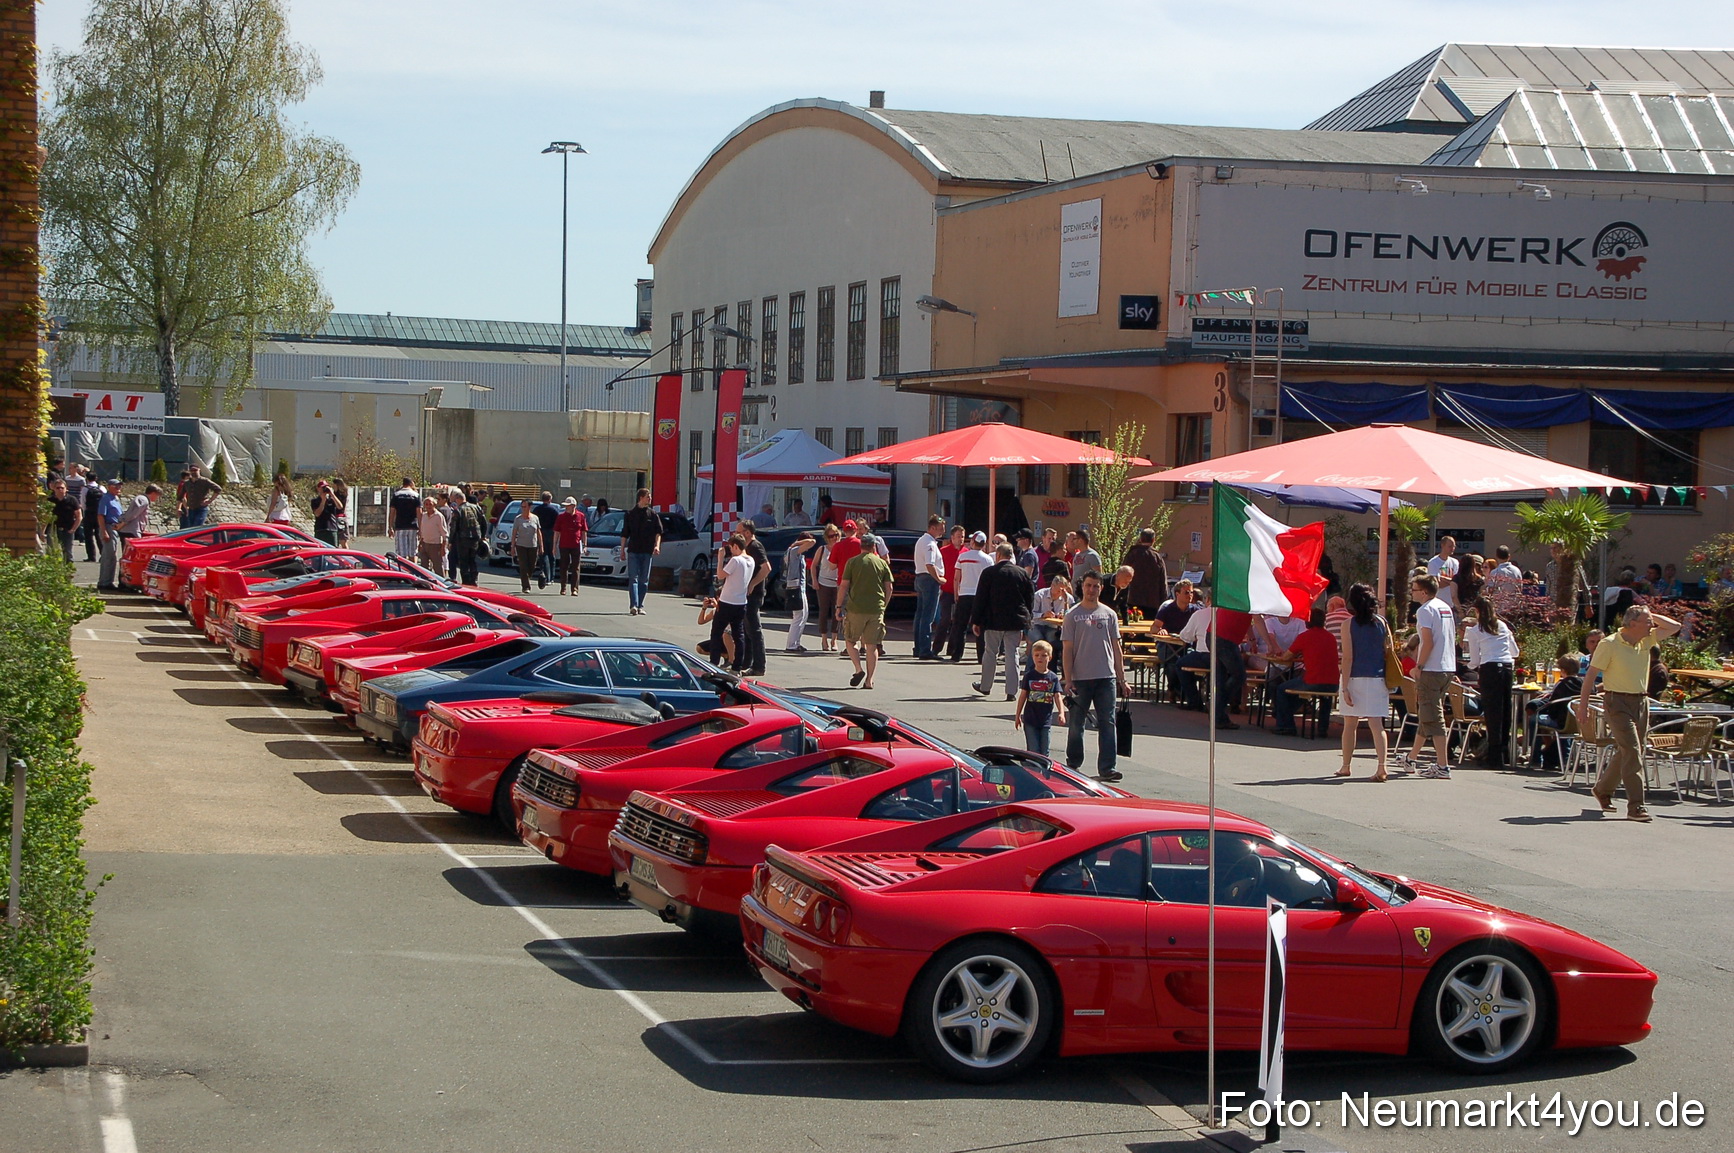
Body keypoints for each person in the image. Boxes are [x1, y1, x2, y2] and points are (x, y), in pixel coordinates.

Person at [1577, 605, 1680, 822]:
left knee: (1631, 750)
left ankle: (1603, 789)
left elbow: (1675, 627)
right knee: (1632, 750)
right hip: (1617, 701)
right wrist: (1583, 706)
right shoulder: (1610, 644)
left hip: (1641, 701)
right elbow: (1591, 675)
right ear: (1632, 624)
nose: (1652, 625)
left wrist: (1650, 614)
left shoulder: (1646, 639)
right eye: (1647, 621)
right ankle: (1636, 806)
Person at [1061, 571, 1127, 782]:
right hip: (1081, 678)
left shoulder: (1109, 614)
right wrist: (1068, 679)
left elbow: (1117, 648)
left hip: (1105, 677)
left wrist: (1122, 678)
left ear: (1101, 588)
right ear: (1082, 587)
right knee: (1076, 723)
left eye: (1096, 586)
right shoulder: (1072, 615)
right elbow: (1067, 650)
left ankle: (1108, 767)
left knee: (1108, 722)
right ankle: (1073, 763)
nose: (1092, 590)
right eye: (1089, 585)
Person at [1401, 574, 1458, 779]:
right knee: (1428, 713)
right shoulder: (1444, 607)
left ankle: (1442, 765)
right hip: (1447, 667)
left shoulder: (1424, 610)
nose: (1412, 592)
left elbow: (1427, 640)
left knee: (1433, 717)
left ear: (1424, 592)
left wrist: (1419, 666)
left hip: (1432, 669)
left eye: (1414, 589)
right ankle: (1411, 757)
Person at [1336, 583, 1392, 780]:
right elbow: (1389, 651)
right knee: (1377, 725)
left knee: (1349, 724)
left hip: (1355, 677)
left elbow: (1348, 657)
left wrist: (1345, 687)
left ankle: (1346, 765)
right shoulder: (1382, 622)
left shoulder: (1348, 625)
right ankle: (1382, 766)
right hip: (1378, 678)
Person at [1176, 594, 1250, 728]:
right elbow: (1255, 619)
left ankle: (1217, 714)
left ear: (1208, 600)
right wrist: (1264, 642)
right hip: (1224, 640)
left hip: (1213, 640)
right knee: (1238, 676)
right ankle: (1217, 706)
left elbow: (1185, 637)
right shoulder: (1245, 598)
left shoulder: (1219, 605)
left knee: (1220, 678)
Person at [972, 543, 1035, 700]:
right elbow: (1030, 598)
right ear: (1011, 555)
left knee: (990, 653)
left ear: (998, 555)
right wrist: (1027, 617)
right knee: (1012, 654)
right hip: (1015, 620)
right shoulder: (1022, 573)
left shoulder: (989, 573)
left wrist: (976, 621)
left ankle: (985, 686)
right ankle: (1011, 691)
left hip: (993, 620)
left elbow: (980, 598)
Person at [1465, 596, 1519, 767]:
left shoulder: (1475, 631)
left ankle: (1494, 755)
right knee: (1505, 709)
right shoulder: (1503, 626)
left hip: (1490, 668)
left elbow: (1474, 659)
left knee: (1492, 711)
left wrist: (1468, 665)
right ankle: (1505, 750)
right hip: (1507, 667)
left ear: (1477, 611)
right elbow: (1515, 652)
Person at [1269, 609, 1340, 737]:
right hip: (1333, 682)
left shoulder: (1305, 636)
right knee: (1325, 696)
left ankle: (1285, 725)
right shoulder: (1330, 637)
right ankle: (1322, 729)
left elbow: (1286, 657)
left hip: (1313, 680)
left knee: (1281, 689)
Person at [837, 533, 892, 689]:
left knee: (850, 641)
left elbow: (844, 585)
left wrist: (838, 606)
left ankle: (858, 669)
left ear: (861, 546)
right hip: (876, 609)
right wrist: (884, 605)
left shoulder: (852, 562)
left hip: (856, 608)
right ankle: (869, 680)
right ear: (874, 546)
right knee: (871, 645)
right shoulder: (882, 564)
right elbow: (889, 587)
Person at [708, 535, 754, 672]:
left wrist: (721, 558)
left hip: (727, 601)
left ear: (735, 546)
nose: (731, 551)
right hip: (740, 602)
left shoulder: (736, 560)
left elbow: (721, 575)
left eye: (731, 548)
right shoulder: (751, 560)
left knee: (716, 632)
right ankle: (737, 666)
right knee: (738, 635)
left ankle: (714, 663)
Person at [1014, 640, 1066, 756]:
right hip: (1030, 719)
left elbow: (1057, 696)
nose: (1040, 658)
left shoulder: (1053, 677)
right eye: (1037, 655)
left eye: (1044, 655)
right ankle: (1033, 772)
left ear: (1050, 657)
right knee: (1033, 751)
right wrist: (1017, 715)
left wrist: (1061, 713)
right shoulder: (1029, 676)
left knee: (1044, 751)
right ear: (1032, 657)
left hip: (1045, 720)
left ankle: (1043, 773)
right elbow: (1023, 696)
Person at [947, 531, 993, 663]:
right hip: (980, 596)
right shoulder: (988, 559)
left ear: (973, 541)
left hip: (965, 594)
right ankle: (981, 656)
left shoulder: (963, 557)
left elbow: (956, 578)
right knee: (981, 625)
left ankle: (957, 654)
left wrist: (956, 594)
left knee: (960, 625)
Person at [736, 520, 771, 676]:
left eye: (739, 532)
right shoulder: (746, 548)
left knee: (754, 630)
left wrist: (753, 584)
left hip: (754, 594)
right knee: (746, 629)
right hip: (745, 593)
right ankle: (746, 663)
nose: (736, 535)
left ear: (748, 533)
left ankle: (759, 666)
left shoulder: (755, 547)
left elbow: (766, 568)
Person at [622, 489, 662, 616]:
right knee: (633, 578)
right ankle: (633, 605)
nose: (650, 499)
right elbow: (624, 533)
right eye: (647, 497)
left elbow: (658, 532)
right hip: (633, 550)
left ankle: (640, 605)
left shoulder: (653, 514)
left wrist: (657, 546)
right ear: (641, 498)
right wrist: (622, 549)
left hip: (647, 551)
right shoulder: (630, 514)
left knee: (644, 579)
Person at [912, 513, 946, 661]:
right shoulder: (930, 544)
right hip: (928, 579)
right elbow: (929, 564)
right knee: (927, 616)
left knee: (920, 615)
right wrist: (938, 578)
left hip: (921, 577)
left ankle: (919, 647)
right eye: (940, 528)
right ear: (932, 528)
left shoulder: (923, 541)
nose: (942, 531)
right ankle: (925, 649)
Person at [1120, 528, 1169, 619]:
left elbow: (1122, 576)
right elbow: (1163, 582)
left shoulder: (1132, 554)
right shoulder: (1157, 557)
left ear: (1141, 539)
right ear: (1154, 540)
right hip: (1152, 602)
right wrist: (1163, 602)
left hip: (1132, 600)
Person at [447, 488, 489, 585]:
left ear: (458, 499)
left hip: (463, 540)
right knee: (473, 560)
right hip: (475, 539)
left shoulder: (458, 511)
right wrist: (483, 536)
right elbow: (484, 522)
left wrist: (451, 541)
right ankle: (474, 580)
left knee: (464, 561)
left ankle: (466, 582)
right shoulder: (476, 508)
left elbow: (454, 527)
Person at [934, 524, 966, 654]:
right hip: (946, 590)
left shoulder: (967, 553)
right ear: (952, 537)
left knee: (958, 622)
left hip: (962, 591)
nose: (961, 539)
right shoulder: (943, 551)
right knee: (945, 619)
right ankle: (936, 648)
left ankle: (952, 649)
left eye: (962, 536)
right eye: (958, 536)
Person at [783, 532, 816, 652]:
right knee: (798, 615)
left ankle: (796, 642)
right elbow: (812, 542)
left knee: (803, 614)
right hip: (795, 586)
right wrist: (798, 542)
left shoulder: (797, 552)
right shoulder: (794, 550)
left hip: (799, 586)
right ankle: (791, 644)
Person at [814, 524, 842, 652]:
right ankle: (824, 638)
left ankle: (834, 639)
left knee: (837, 611)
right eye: (831, 536)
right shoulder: (822, 549)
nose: (834, 538)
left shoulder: (841, 548)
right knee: (823, 611)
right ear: (826, 537)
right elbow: (814, 565)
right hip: (823, 583)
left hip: (838, 584)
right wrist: (814, 581)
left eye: (836, 535)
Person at [94, 479, 126, 589]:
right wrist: (104, 531)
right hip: (108, 527)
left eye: (119, 486)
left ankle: (108, 581)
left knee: (112, 556)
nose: (119, 488)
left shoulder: (116, 499)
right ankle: (104, 582)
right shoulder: (105, 498)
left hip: (115, 528)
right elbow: (100, 516)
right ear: (109, 487)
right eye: (116, 486)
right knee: (108, 556)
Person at [554, 497, 588, 595]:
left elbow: (584, 532)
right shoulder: (561, 517)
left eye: (568, 506)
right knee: (564, 566)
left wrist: (585, 545)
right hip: (564, 544)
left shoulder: (581, 516)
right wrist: (554, 546)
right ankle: (563, 587)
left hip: (576, 545)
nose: (566, 508)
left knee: (576, 567)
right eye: (565, 506)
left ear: (573, 506)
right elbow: (557, 532)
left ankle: (574, 589)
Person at [511, 501, 543, 593]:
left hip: (533, 545)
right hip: (521, 545)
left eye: (525, 507)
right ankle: (526, 586)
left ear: (529, 507)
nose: (523, 509)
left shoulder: (535, 518)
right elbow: (514, 533)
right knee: (523, 565)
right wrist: (512, 546)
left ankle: (527, 577)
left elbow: (539, 532)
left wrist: (541, 546)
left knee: (532, 565)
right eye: (522, 507)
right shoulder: (518, 519)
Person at [531, 492, 560, 589]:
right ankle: (551, 577)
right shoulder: (554, 510)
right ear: (550, 499)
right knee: (552, 555)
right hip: (551, 532)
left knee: (543, 554)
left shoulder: (537, 510)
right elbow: (558, 522)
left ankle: (544, 574)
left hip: (541, 531)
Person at [48, 477, 81, 562]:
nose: (60, 490)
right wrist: (42, 532)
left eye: (62, 488)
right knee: (52, 552)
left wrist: (73, 529)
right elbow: (45, 516)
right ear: (54, 489)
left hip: (67, 529)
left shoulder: (72, 500)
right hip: (53, 529)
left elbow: (79, 516)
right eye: (57, 488)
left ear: (66, 489)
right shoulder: (50, 500)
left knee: (67, 552)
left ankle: (68, 570)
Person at [389, 478, 421, 557]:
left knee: (401, 554)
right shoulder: (416, 495)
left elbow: (392, 512)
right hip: (413, 527)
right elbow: (419, 513)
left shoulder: (396, 495)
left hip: (400, 526)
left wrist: (390, 527)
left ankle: (402, 569)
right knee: (413, 553)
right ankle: (413, 568)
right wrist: (421, 528)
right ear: (411, 484)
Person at [417, 495, 448, 573]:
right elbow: (422, 530)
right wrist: (420, 543)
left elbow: (444, 533)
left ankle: (442, 583)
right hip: (425, 544)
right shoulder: (423, 516)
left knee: (438, 567)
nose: (428, 506)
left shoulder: (439, 516)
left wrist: (443, 547)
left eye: (430, 504)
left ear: (434, 504)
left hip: (435, 545)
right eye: (426, 504)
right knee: (424, 568)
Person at [1428, 535, 1461, 608]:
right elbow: (1436, 583)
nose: (1452, 549)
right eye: (1450, 546)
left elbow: (1458, 582)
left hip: (1452, 603)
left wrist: (1444, 579)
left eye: (1454, 546)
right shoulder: (1433, 562)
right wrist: (1452, 582)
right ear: (1442, 545)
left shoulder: (1455, 562)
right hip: (1439, 602)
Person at [310, 480, 343, 545]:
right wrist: (323, 500)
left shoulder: (332, 500)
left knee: (333, 550)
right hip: (320, 529)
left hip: (332, 528)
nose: (324, 489)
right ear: (318, 489)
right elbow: (317, 514)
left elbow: (340, 507)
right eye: (322, 488)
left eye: (325, 487)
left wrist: (332, 494)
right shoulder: (315, 501)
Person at [80, 471, 103, 562]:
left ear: (87, 478)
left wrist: (85, 510)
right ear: (96, 478)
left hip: (89, 514)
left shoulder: (85, 489)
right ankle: (103, 554)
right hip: (99, 514)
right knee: (99, 535)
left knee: (88, 536)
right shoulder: (101, 488)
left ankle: (91, 556)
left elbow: (83, 502)